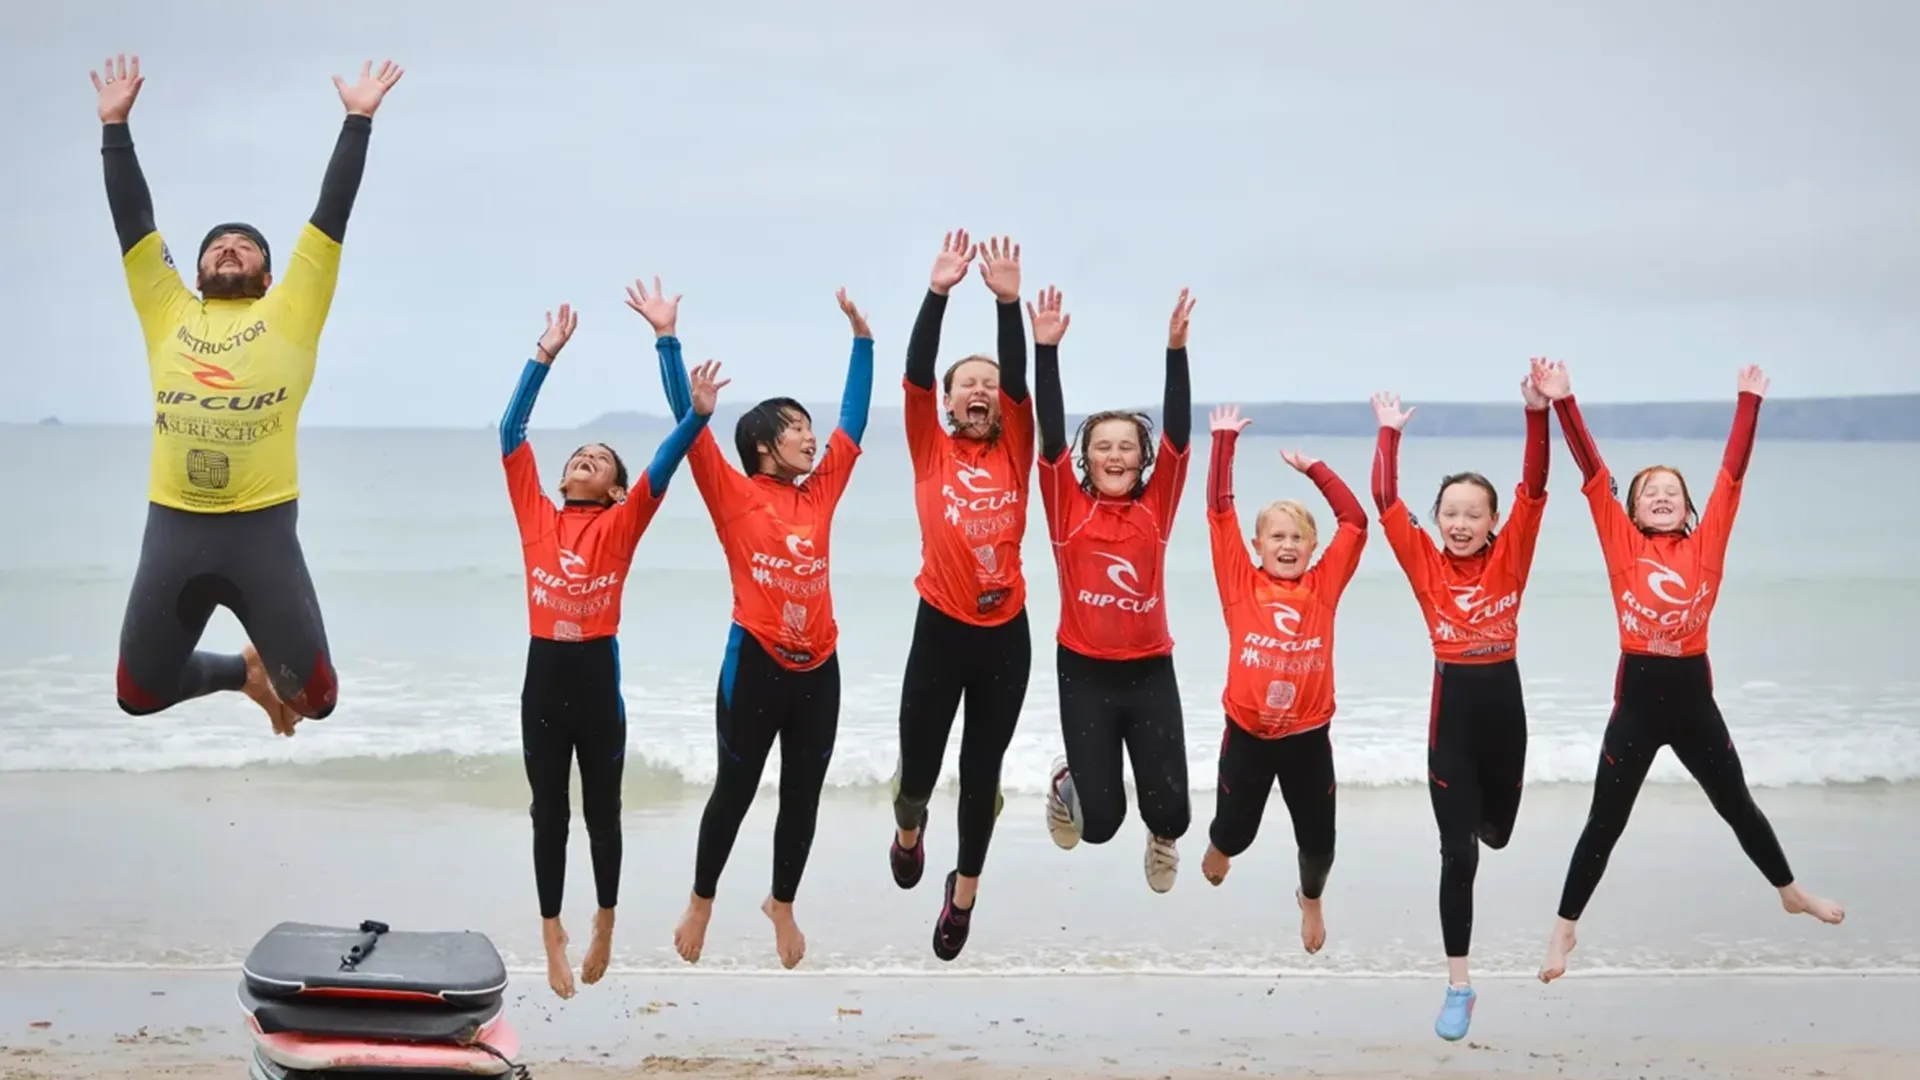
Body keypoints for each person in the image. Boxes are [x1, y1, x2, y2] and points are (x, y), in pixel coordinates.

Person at [94, 53, 403, 735]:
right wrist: (115, 126)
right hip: (175, 526)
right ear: (195, 273)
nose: (229, 248)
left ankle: (271, 675)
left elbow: (331, 214)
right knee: (135, 694)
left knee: (319, 699)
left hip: (261, 532)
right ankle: (244, 673)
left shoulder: (293, 310)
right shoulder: (166, 310)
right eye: (216, 245)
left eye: (245, 245)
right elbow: (133, 223)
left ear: (268, 276)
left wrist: (357, 119)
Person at [1532, 361, 1845, 983]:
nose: (1662, 495)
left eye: (1672, 489)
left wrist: (1749, 401)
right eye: (1649, 490)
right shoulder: (1622, 543)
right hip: (1638, 704)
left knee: (1738, 806)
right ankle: (1564, 929)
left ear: (1689, 505)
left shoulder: (1708, 543)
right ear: (1635, 509)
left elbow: (1732, 473)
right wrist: (1565, 401)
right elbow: (1593, 474)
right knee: (1605, 823)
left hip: (1694, 700)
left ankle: (1788, 889)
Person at [628, 277, 875, 970]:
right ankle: (702, 899)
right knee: (734, 791)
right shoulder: (731, 490)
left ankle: (782, 902)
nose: (811, 436)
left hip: (818, 665)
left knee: (803, 793)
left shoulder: (820, 490)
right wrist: (666, 339)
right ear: (764, 444)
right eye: (796, 427)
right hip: (757, 660)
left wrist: (863, 339)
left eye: (807, 425)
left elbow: (853, 424)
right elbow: (690, 417)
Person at [497, 303, 717, 1000]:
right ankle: (550, 933)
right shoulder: (536, 515)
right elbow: (510, 430)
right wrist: (545, 355)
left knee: (603, 812)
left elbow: (664, 464)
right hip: (543, 678)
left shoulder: (623, 523)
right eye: (579, 457)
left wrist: (697, 414)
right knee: (547, 814)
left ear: (616, 489)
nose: (583, 460)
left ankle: (606, 921)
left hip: (596, 680)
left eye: (598, 460)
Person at [1368, 365, 1550, 1041]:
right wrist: (1388, 433)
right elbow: (1385, 497)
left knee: (1495, 832)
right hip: (1453, 711)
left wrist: (1537, 414)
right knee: (1458, 856)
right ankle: (1458, 985)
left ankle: (1481, 820)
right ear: (1437, 518)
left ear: (1494, 521)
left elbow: (1536, 487)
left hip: (1506, 709)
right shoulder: (1424, 558)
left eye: (1475, 514)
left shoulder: (1512, 555)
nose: (1462, 523)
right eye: (1451, 513)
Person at [888, 231, 1035, 960]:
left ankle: (964, 892)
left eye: (988, 383)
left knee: (983, 772)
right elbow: (914, 371)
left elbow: (1019, 384)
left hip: (1005, 634)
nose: (979, 391)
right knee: (918, 765)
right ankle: (909, 827)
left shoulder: (1015, 447)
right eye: (964, 384)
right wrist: (938, 292)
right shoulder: (929, 444)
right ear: (946, 403)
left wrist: (1008, 303)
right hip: (939, 629)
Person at [1032, 285, 1196, 892]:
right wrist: (1044, 352)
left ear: (1143, 456)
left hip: (1151, 670)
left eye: (1128, 445)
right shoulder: (1063, 505)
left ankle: (1161, 839)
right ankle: (1066, 782)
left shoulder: (1158, 506)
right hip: (1084, 672)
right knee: (1098, 825)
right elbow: (1048, 434)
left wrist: (1174, 350)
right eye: (1103, 446)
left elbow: (1180, 435)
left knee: (1173, 815)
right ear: (1087, 459)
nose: (1116, 454)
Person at [1198, 404, 1368, 955]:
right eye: (1276, 537)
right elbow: (1219, 512)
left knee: (1320, 847)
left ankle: (1310, 899)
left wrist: (1316, 469)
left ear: (1313, 547)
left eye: (1298, 537)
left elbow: (1356, 522)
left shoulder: (1324, 587)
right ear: (1258, 545)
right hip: (1247, 736)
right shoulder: (1239, 584)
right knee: (1234, 835)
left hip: (1307, 741)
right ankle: (1219, 846)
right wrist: (1223, 442)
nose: (1288, 545)